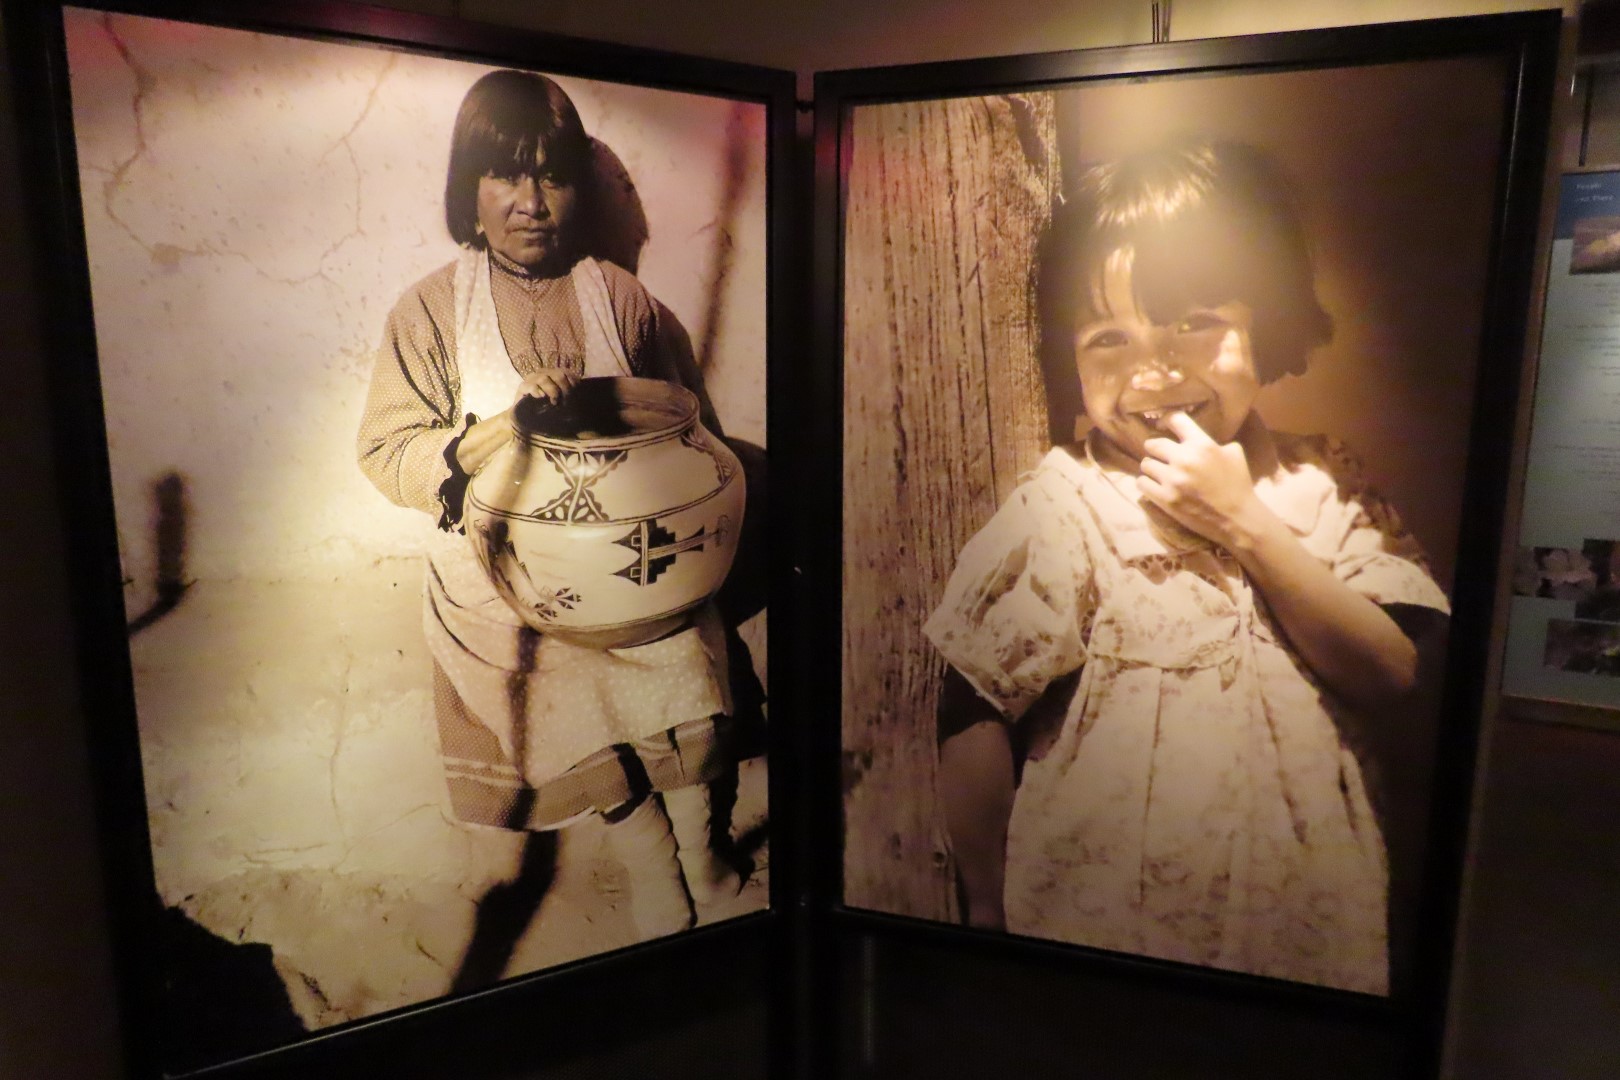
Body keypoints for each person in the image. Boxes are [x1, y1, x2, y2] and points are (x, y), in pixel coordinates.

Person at [928, 138, 1449, 994]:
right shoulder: (1064, 505)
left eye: (1194, 321)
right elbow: (974, 703)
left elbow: (1391, 671)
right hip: (1107, 942)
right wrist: (985, 911)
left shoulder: (1326, 482)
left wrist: (1245, 522)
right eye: (1110, 336)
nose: (1153, 370)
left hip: (1311, 940)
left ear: (1266, 318)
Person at [355, 69, 745, 965]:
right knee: (567, 689)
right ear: (470, 189)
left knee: (682, 653)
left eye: (554, 176)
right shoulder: (429, 312)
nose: (531, 203)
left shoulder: (621, 299)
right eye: (505, 174)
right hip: (506, 579)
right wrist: (495, 433)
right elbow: (385, 449)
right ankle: (656, 871)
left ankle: (707, 855)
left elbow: (685, 426)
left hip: (626, 557)